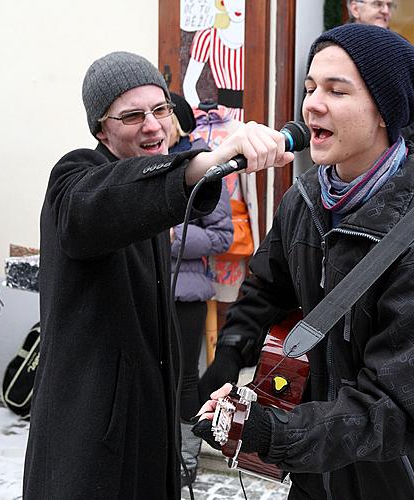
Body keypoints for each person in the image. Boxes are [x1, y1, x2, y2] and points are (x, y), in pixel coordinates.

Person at [195, 24, 414, 499]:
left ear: (384, 113)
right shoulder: (304, 200)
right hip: (318, 477)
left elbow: (391, 409)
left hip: (409, 481)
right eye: (309, 88)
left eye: (336, 90)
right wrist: (229, 354)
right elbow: (268, 289)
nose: (312, 104)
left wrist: (274, 433)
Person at [22, 51, 292, 499]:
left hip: (146, 421)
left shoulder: (152, 187)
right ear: (100, 127)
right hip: (89, 433)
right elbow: (98, 205)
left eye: (161, 109)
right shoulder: (76, 175)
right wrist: (210, 161)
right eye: (132, 115)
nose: (153, 125)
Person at [167, 92, 234, 486]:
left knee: (184, 378)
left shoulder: (203, 165)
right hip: (146, 287)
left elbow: (221, 236)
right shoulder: (144, 163)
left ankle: (186, 459)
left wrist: (172, 235)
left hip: (187, 291)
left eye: (160, 113)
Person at [346, 0, 414, 144]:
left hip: (390, 155)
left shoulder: (402, 48)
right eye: (377, 4)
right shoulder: (332, 47)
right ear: (355, 9)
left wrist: (397, 138)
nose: (386, 11)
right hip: (342, 153)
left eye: (389, 5)